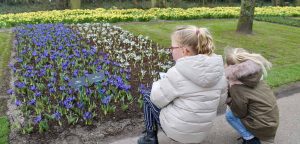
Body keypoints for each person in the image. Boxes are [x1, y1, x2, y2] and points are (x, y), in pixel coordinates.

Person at [137, 25, 227, 144]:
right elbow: (221, 102)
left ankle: (150, 138)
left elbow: (157, 99)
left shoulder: (177, 73)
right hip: (202, 131)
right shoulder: (219, 73)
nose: (170, 50)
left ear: (185, 51)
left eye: (172, 47)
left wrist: (159, 84)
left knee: (148, 96)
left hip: (179, 132)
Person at [224, 48, 279, 144]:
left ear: (230, 67)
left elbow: (239, 113)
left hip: (262, 126)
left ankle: (250, 139)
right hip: (271, 122)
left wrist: (229, 100)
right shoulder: (257, 76)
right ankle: (254, 133)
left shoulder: (237, 87)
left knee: (229, 115)